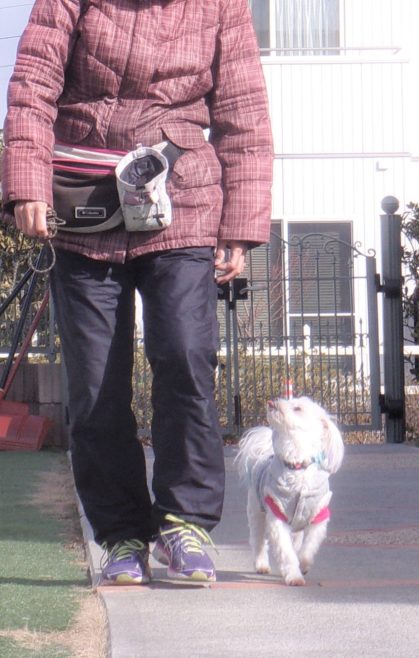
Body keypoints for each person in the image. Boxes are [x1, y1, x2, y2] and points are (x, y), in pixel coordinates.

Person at [2, 0, 273, 585]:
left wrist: (241, 225)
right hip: (83, 201)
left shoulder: (221, 5)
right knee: (95, 383)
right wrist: (26, 182)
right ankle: (121, 535)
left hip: (185, 199)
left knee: (186, 356)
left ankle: (185, 523)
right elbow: (33, 86)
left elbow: (243, 115)